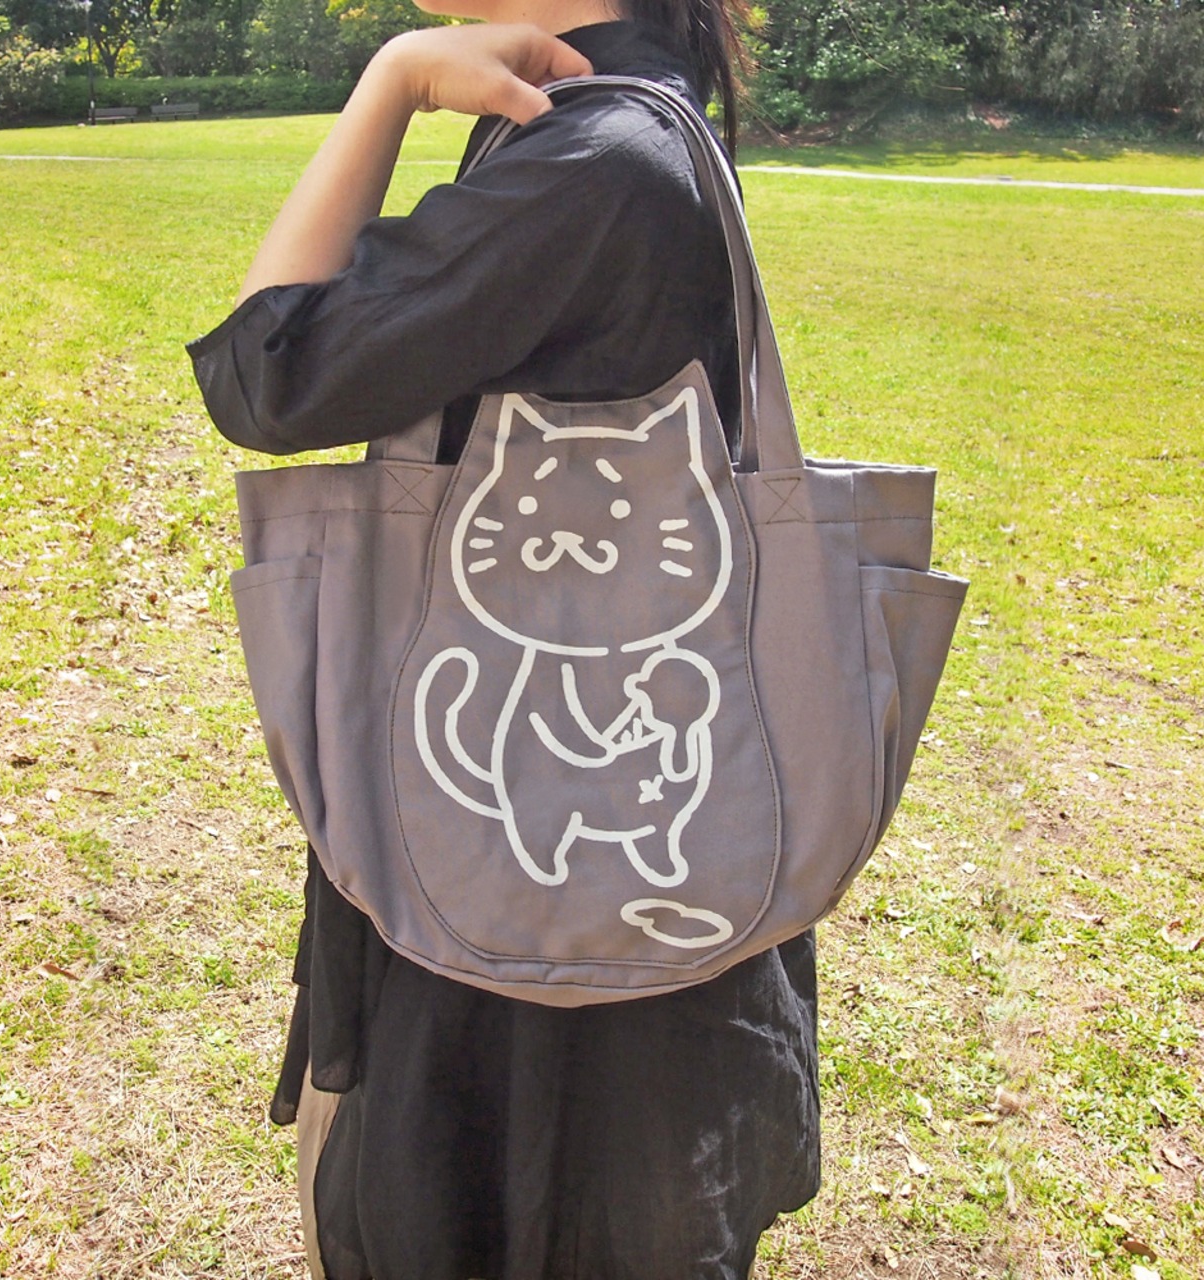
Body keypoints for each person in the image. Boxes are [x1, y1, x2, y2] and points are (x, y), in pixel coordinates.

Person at [186, 2, 821, 1276]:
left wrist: (386, 85)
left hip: (528, 927)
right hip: (577, 878)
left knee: (495, 1211)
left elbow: (269, 373)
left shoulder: (592, 162)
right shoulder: (622, 127)